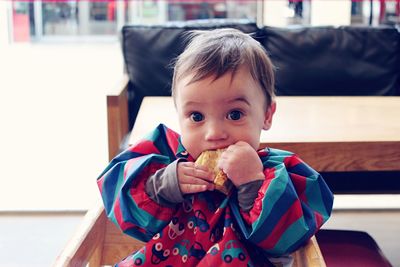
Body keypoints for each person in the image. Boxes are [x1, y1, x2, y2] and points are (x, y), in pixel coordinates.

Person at [97, 28, 334, 267]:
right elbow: (118, 196)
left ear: (266, 115)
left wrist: (254, 185)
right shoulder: (165, 155)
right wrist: (161, 185)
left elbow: (289, 238)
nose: (214, 134)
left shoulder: (279, 173)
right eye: (197, 116)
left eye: (234, 114)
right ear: (179, 116)